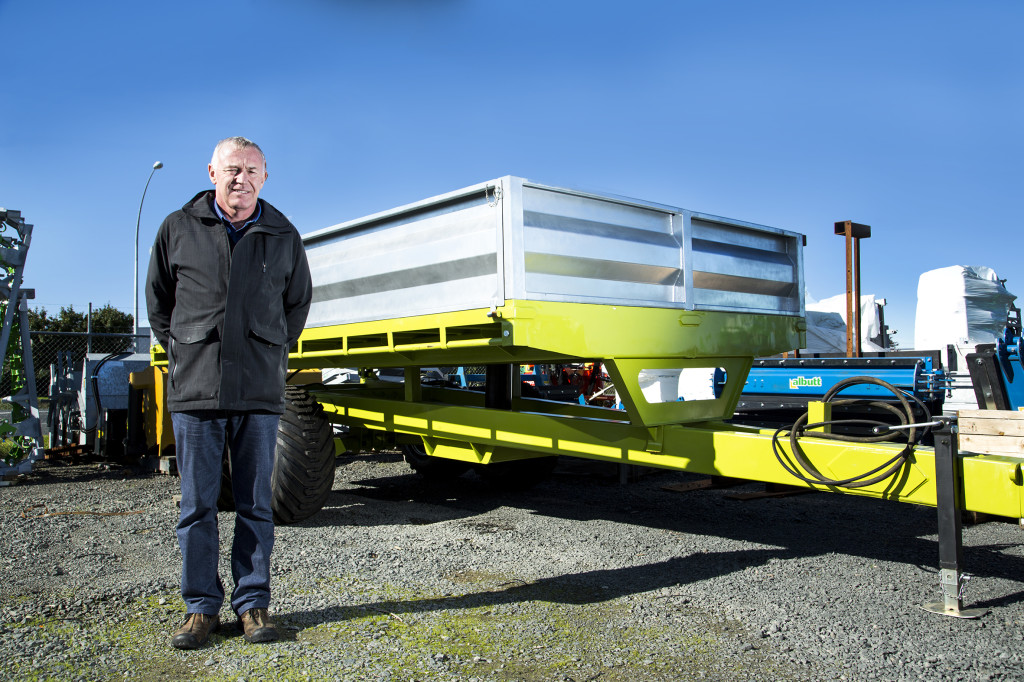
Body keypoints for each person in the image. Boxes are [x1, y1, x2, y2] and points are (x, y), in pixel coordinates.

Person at [146, 136, 312, 649]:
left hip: (259, 391)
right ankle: (200, 608)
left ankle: (253, 605)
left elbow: (296, 307)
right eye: (232, 169)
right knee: (196, 505)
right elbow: (160, 306)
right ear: (212, 173)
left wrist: (268, 351)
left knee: (256, 504)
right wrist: (190, 348)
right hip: (196, 388)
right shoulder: (177, 228)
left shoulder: (283, 234)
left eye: (252, 171)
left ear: (265, 178)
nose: (241, 178)